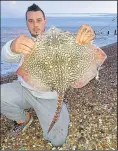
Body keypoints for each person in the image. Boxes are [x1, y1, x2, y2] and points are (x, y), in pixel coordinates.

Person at [1, 3, 95, 146]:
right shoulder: (26, 44)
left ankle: (59, 109)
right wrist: (12, 47)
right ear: (26, 23)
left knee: (58, 140)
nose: (35, 25)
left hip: (49, 98)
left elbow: (83, 49)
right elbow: (7, 55)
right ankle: (24, 118)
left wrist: (88, 38)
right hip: (24, 90)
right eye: (30, 21)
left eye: (39, 20)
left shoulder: (59, 40)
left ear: (45, 20)